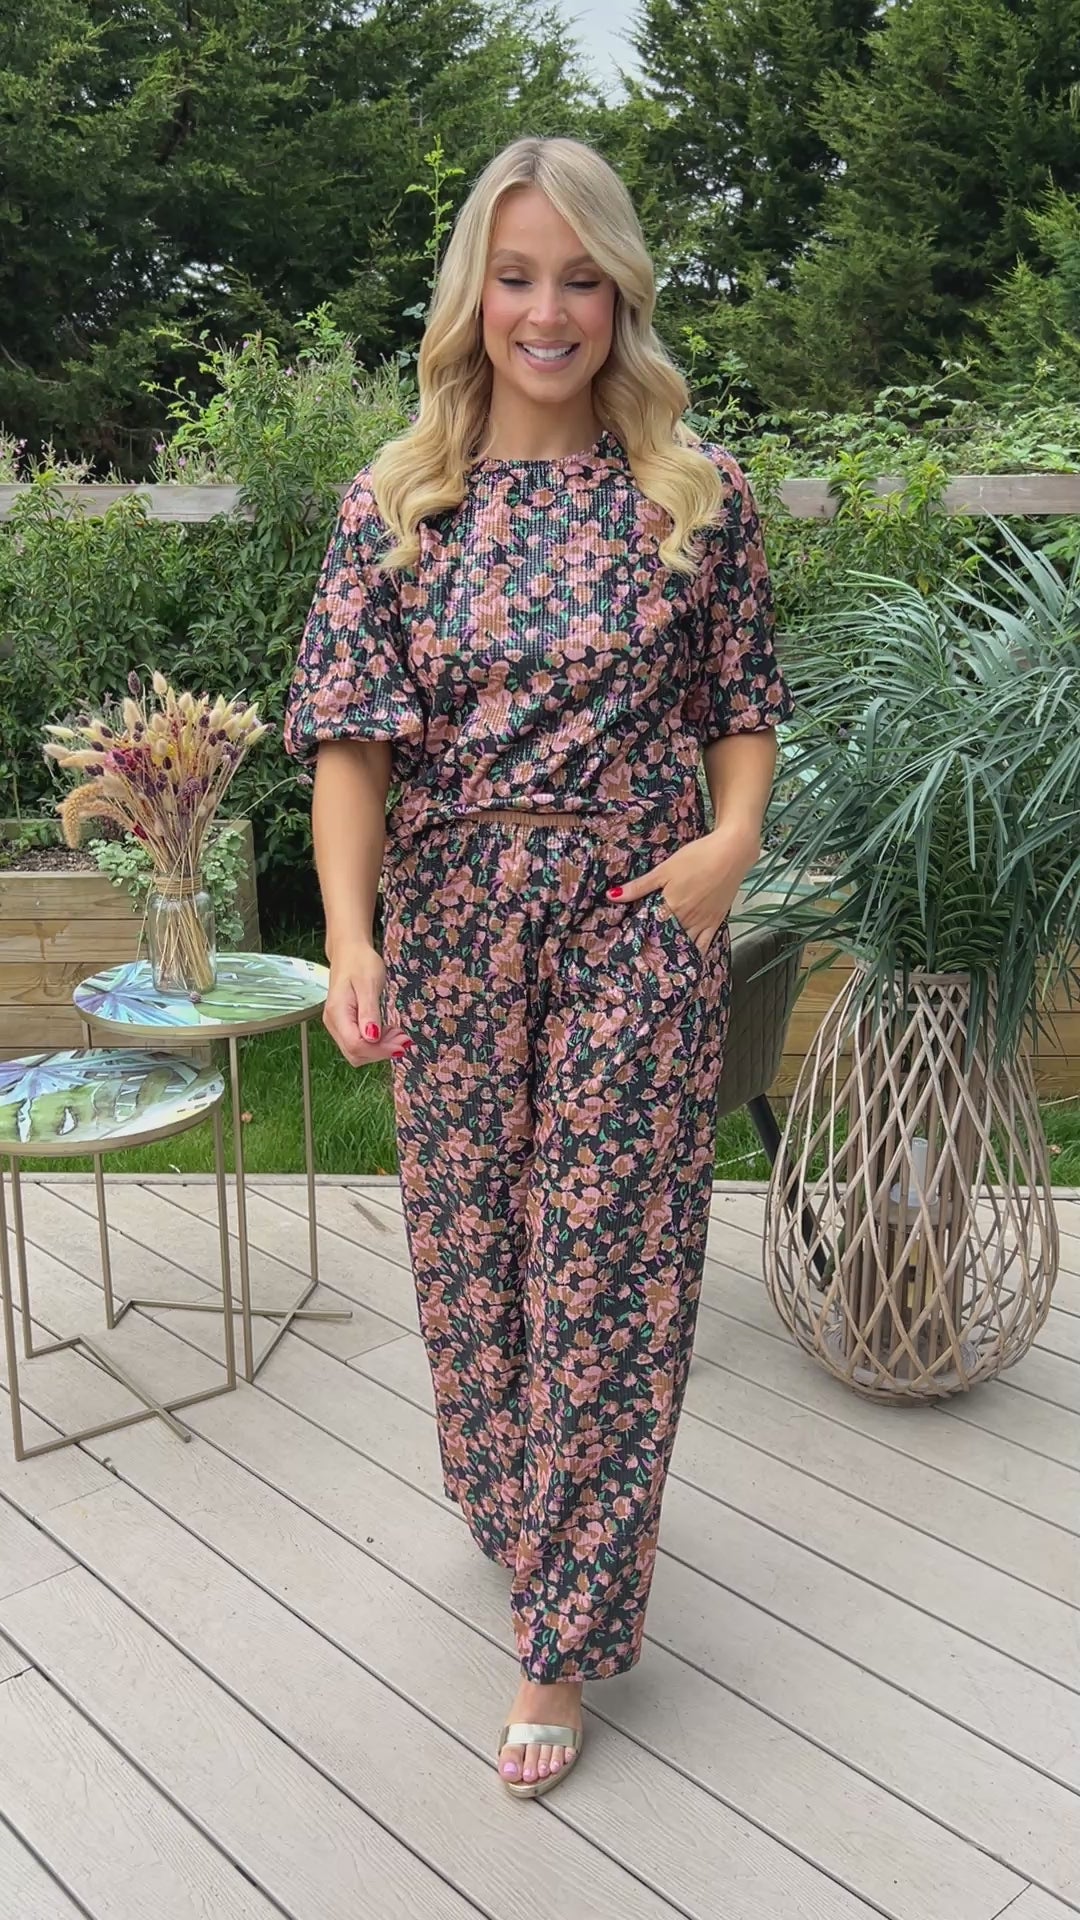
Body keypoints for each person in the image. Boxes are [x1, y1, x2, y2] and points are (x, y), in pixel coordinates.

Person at [282, 133, 793, 1801]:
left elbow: (744, 704)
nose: (549, 311)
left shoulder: (693, 496)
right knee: (474, 1260)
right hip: (449, 925)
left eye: (580, 278)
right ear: (474, 296)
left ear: (621, 293)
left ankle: (561, 1642)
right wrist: (350, 936)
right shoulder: (399, 504)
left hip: (638, 912)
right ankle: (521, 1511)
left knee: (608, 1271)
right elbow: (351, 743)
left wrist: (730, 846)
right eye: (516, 278)